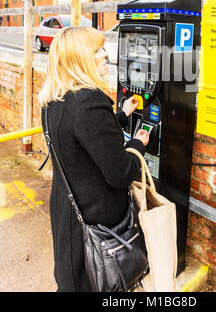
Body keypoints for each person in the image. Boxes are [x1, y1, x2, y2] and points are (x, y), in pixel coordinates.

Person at [39, 26, 149, 292]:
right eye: (97, 50)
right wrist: (138, 144)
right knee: (95, 282)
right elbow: (120, 173)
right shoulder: (90, 102)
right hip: (97, 220)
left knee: (71, 282)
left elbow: (82, 137)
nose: (105, 55)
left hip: (67, 210)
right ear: (80, 59)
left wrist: (121, 116)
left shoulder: (53, 99)